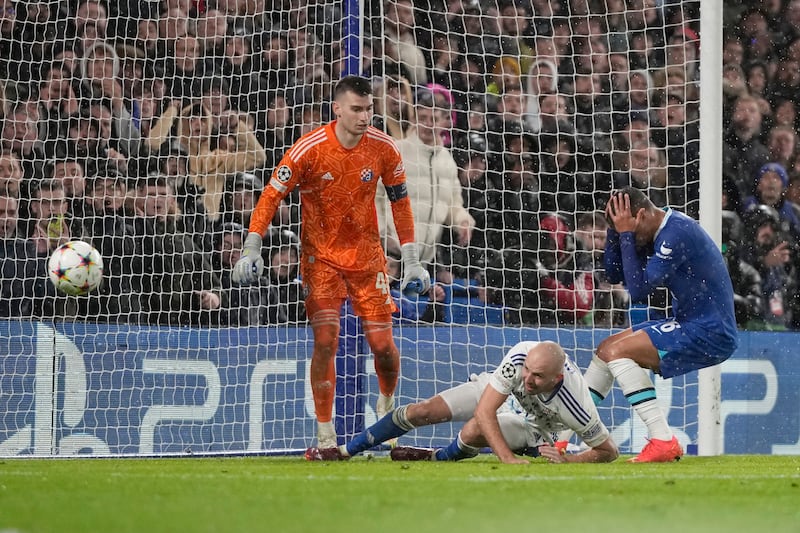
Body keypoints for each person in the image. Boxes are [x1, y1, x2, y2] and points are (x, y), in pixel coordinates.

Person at [231, 76, 430, 449]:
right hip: (320, 260)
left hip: (368, 260)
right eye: (357, 109)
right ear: (337, 109)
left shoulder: (384, 148)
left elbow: (401, 203)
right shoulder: (310, 148)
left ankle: (387, 410)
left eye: (369, 108)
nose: (365, 116)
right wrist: (252, 246)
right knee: (326, 341)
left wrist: (412, 259)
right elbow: (271, 195)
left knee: (383, 346)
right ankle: (325, 438)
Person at [583, 187, 738, 462]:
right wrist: (615, 232)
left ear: (641, 215)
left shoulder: (675, 232)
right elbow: (614, 273)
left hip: (710, 331)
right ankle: (562, 432)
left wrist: (627, 235)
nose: (626, 235)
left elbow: (639, 290)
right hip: (689, 323)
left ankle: (662, 439)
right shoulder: (650, 233)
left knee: (617, 353)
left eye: (628, 227)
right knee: (605, 348)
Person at [305, 340, 618, 464]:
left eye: (537, 377)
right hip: (499, 395)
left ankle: (435, 457)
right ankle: (345, 450)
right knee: (423, 410)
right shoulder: (521, 359)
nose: (528, 379)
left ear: (556, 380)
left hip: (530, 425)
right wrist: (507, 458)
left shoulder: (575, 404)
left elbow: (609, 452)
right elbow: (486, 408)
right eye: (527, 372)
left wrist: (571, 460)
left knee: (471, 432)